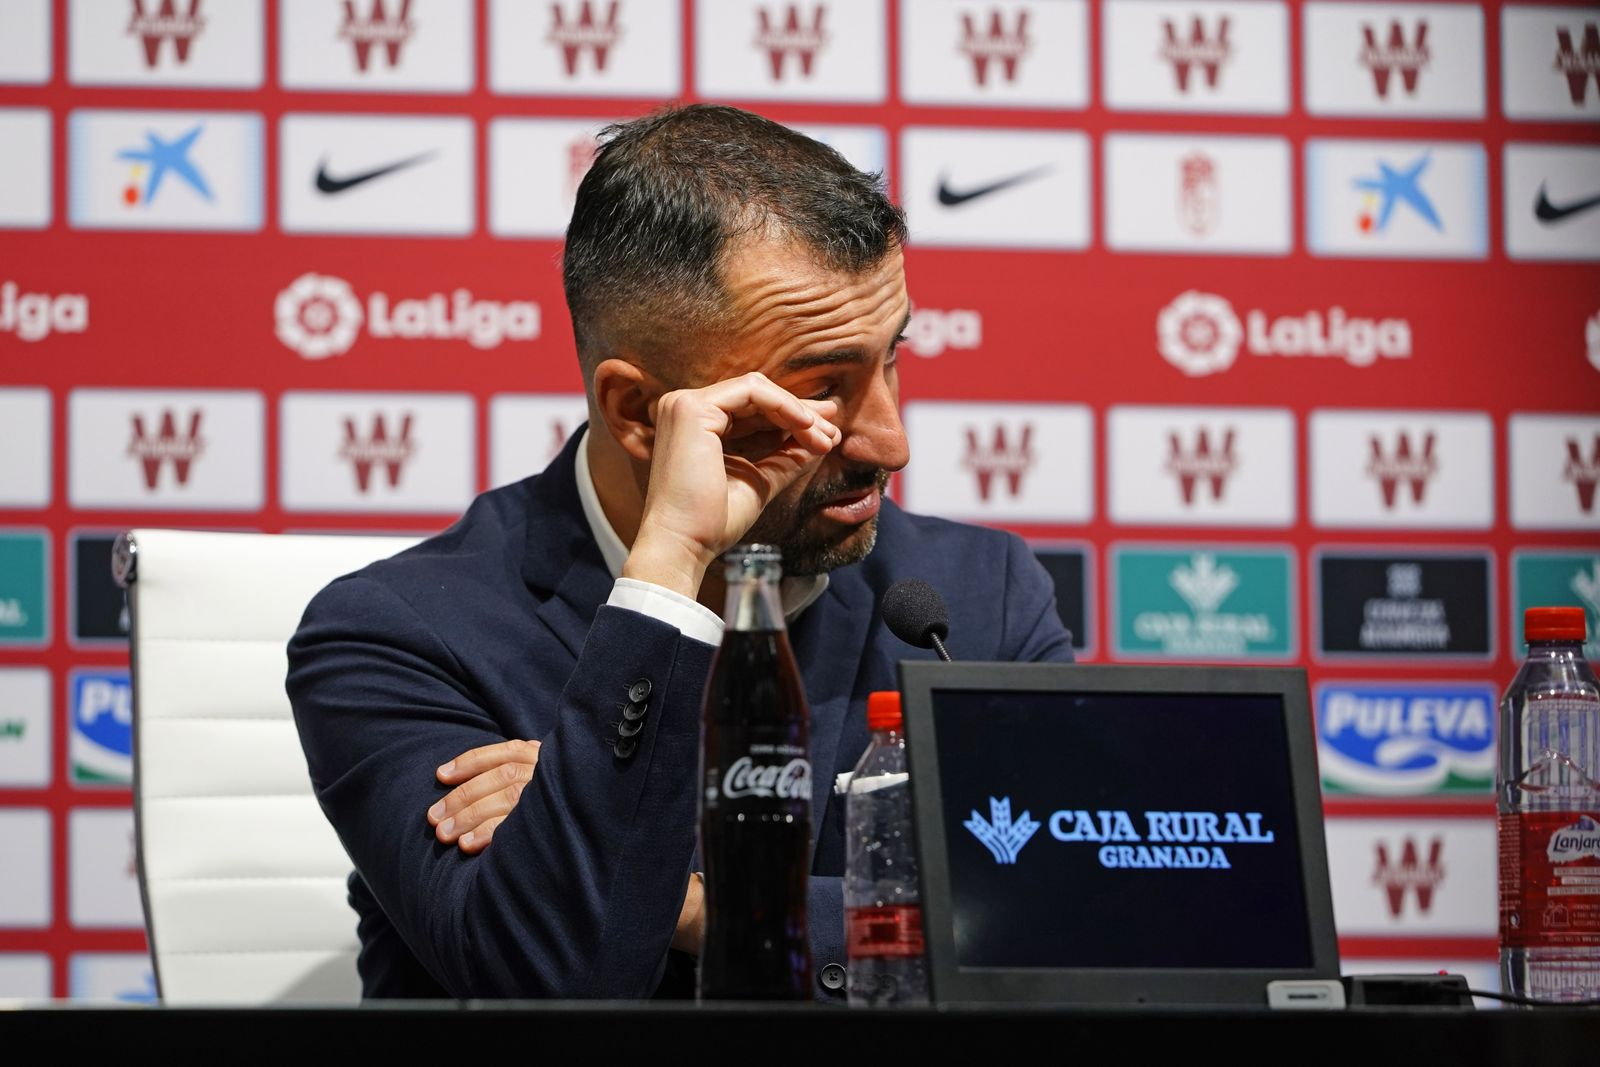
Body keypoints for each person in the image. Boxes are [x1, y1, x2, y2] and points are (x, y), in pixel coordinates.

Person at [287, 104, 1074, 1001]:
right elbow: (551, 972)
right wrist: (667, 569)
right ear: (636, 414)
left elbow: (1059, 930)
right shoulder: (397, 638)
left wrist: (696, 899)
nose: (891, 443)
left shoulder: (976, 601)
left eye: (890, 360)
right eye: (820, 388)